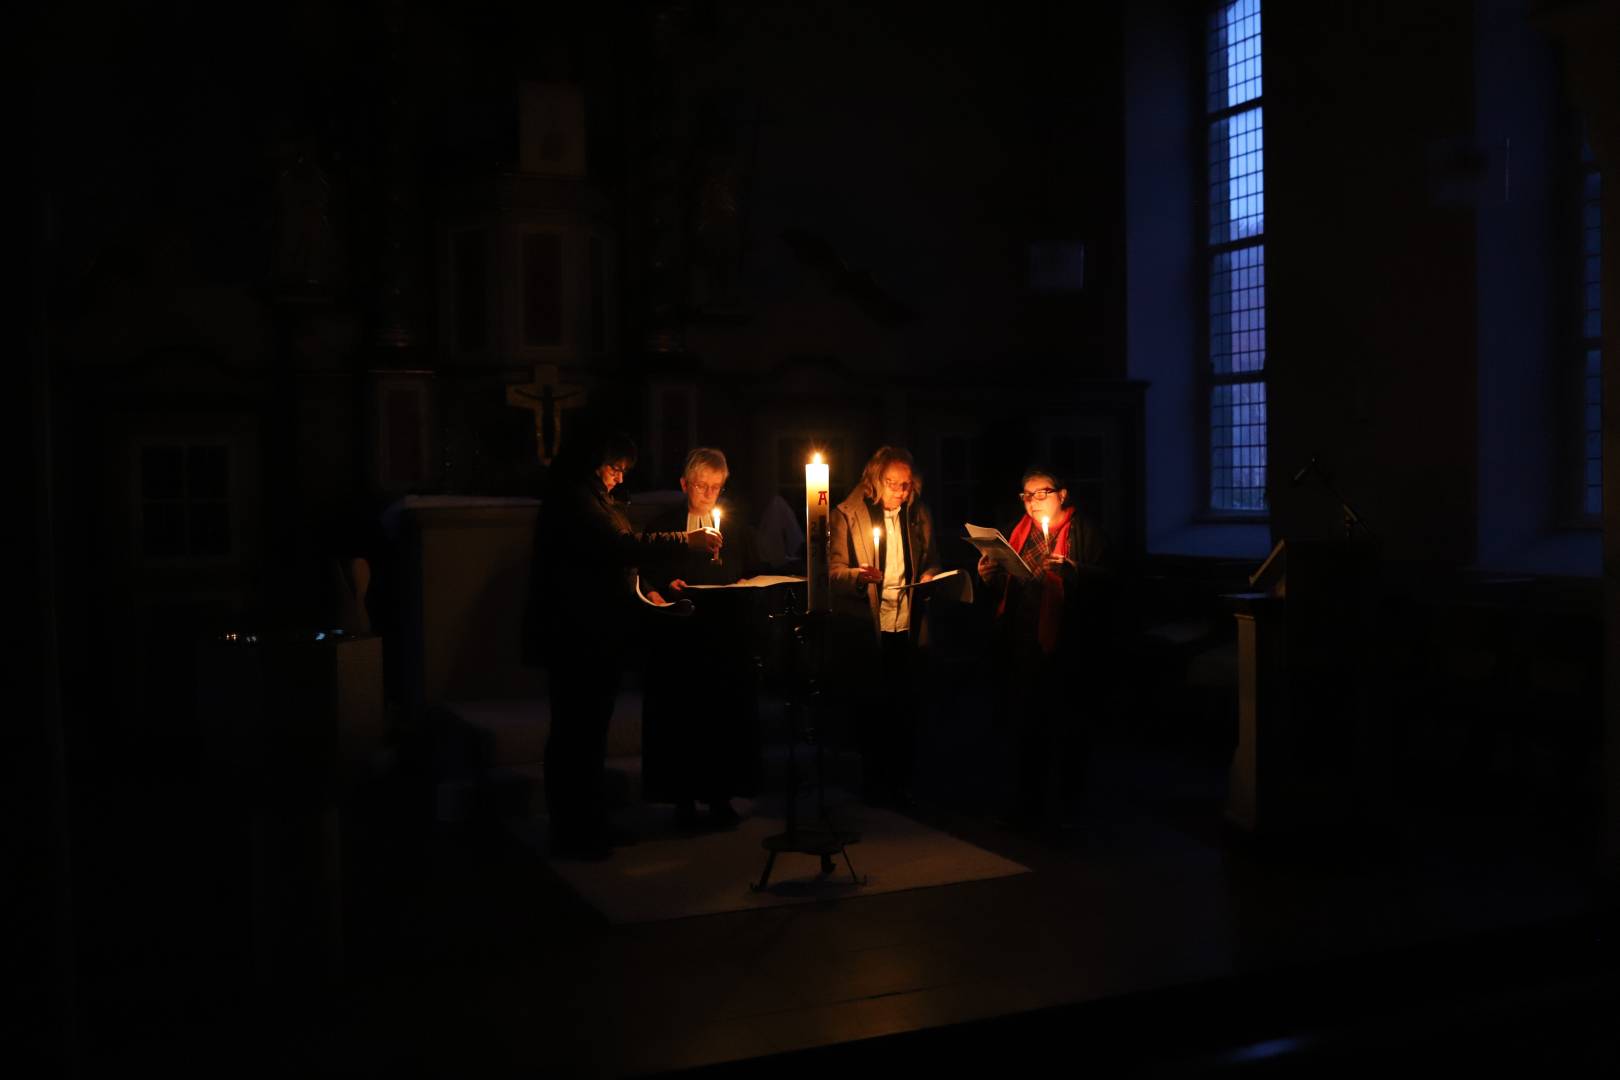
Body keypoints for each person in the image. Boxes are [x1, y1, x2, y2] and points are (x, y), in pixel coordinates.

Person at [523, 431, 721, 860]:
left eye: (622, 472)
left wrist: (643, 587)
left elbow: (619, 557)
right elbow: (618, 545)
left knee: (588, 734)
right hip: (578, 638)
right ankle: (575, 829)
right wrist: (688, 540)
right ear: (595, 462)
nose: (617, 478)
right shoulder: (577, 500)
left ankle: (587, 822)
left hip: (594, 635)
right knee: (577, 734)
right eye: (614, 469)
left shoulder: (594, 499)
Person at [975, 467, 1106, 835]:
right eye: (1026, 495)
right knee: (1025, 727)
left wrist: (1074, 571)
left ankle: (1068, 809)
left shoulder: (1084, 531)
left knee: (1065, 728)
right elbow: (1011, 585)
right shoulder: (1018, 532)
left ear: (1062, 494)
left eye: (1040, 493)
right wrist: (991, 576)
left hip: (1067, 644)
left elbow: (1111, 581)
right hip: (1022, 642)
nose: (1032, 502)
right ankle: (1026, 806)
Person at [640, 448, 766, 828]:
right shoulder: (664, 526)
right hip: (681, 640)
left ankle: (720, 795)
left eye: (716, 486)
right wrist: (667, 585)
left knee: (722, 720)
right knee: (682, 721)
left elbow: (755, 568)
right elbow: (646, 574)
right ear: (683, 485)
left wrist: (744, 584)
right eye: (701, 485)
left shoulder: (738, 527)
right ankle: (682, 799)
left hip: (725, 638)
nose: (709, 493)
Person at [828, 446, 941, 808]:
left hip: (908, 624)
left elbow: (932, 560)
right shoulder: (848, 515)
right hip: (868, 627)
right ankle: (874, 784)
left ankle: (902, 783)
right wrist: (859, 577)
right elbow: (831, 573)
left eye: (905, 485)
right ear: (875, 480)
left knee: (906, 706)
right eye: (891, 483)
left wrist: (929, 575)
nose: (898, 491)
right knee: (873, 707)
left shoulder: (918, 514)